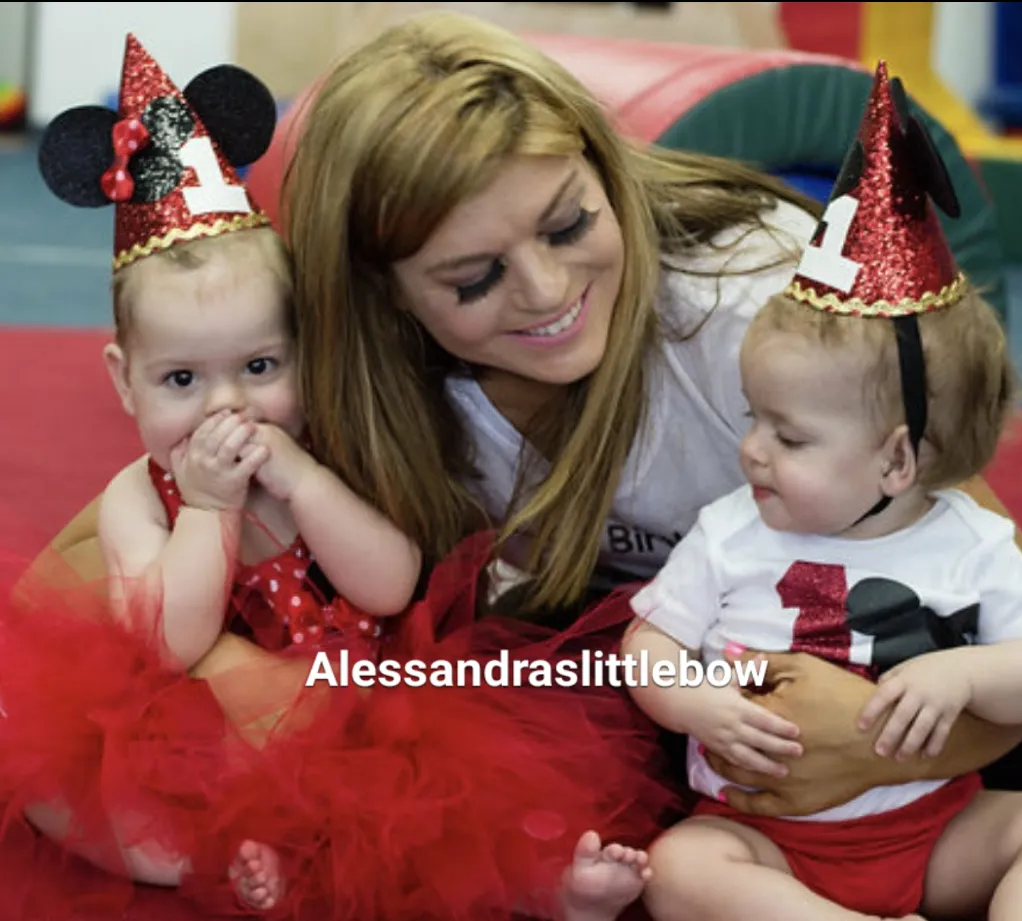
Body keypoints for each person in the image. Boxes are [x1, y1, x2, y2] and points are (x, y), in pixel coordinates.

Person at [19, 0, 1022, 884]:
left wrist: (871, 747)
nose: (548, 293)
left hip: (868, 671)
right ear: (381, 300)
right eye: (472, 280)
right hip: (626, 683)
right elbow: (69, 580)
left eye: (568, 225)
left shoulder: (751, 313)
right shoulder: (333, 367)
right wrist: (237, 665)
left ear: (602, 174)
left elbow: (981, 578)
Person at [0, 33, 676, 921]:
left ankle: (543, 884)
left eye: (260, 367)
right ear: (123, 380)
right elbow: (170, 640)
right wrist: (208, 509)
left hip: (355, 704)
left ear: (307, 358)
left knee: (444, 791)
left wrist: (304, 483)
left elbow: (391, 582)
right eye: (180, 380)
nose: (224, 408)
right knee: (71, 792)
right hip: (208, 724)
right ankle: (231, 855)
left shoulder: (316, 452)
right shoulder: (142, 495)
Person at [621, 61, 1022, 921]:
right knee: (680, 867)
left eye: (787, 436)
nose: (749, 452)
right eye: (752, 418)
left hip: (929, 827)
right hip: (768, 840)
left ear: (897, 462)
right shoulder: (728, 531)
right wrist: (696, 703)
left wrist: (966, 673)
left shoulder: (967, 540)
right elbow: (648, 642)